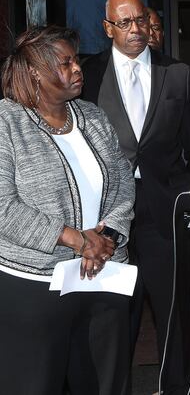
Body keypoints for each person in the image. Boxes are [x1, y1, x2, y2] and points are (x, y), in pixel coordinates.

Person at [81, 0, 190, 394]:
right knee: (114, 313)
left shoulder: (178, 73)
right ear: (107, 28)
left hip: (166, 213)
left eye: (140, 20)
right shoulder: (88, 74)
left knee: (175, 308)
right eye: (124, 22)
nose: (135, 29)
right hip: (106, 218)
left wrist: (186, 195)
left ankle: (181, 386)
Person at [0, 25, 135, 394]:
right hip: (33, 288)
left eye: (76, 60)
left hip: (103, 275)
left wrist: (107, 236)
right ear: (34, 73)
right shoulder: (6, 122)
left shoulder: (91, 115)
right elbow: (3, 207)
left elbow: (123, 179)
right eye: (66, 63)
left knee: (104, 385)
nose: (78, 68)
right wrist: (76, 240)